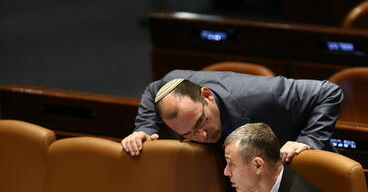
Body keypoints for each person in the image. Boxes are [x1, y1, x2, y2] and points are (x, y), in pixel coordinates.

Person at [121, 69, 343, 162]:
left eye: (201, 121)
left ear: (206, 95)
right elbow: (153, 91)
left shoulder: (266, 95)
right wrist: (144, 129)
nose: (201, 136)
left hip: (288, 171)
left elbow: (329, 92)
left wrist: (308, 141)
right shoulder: (173, 83)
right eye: (187, 133)